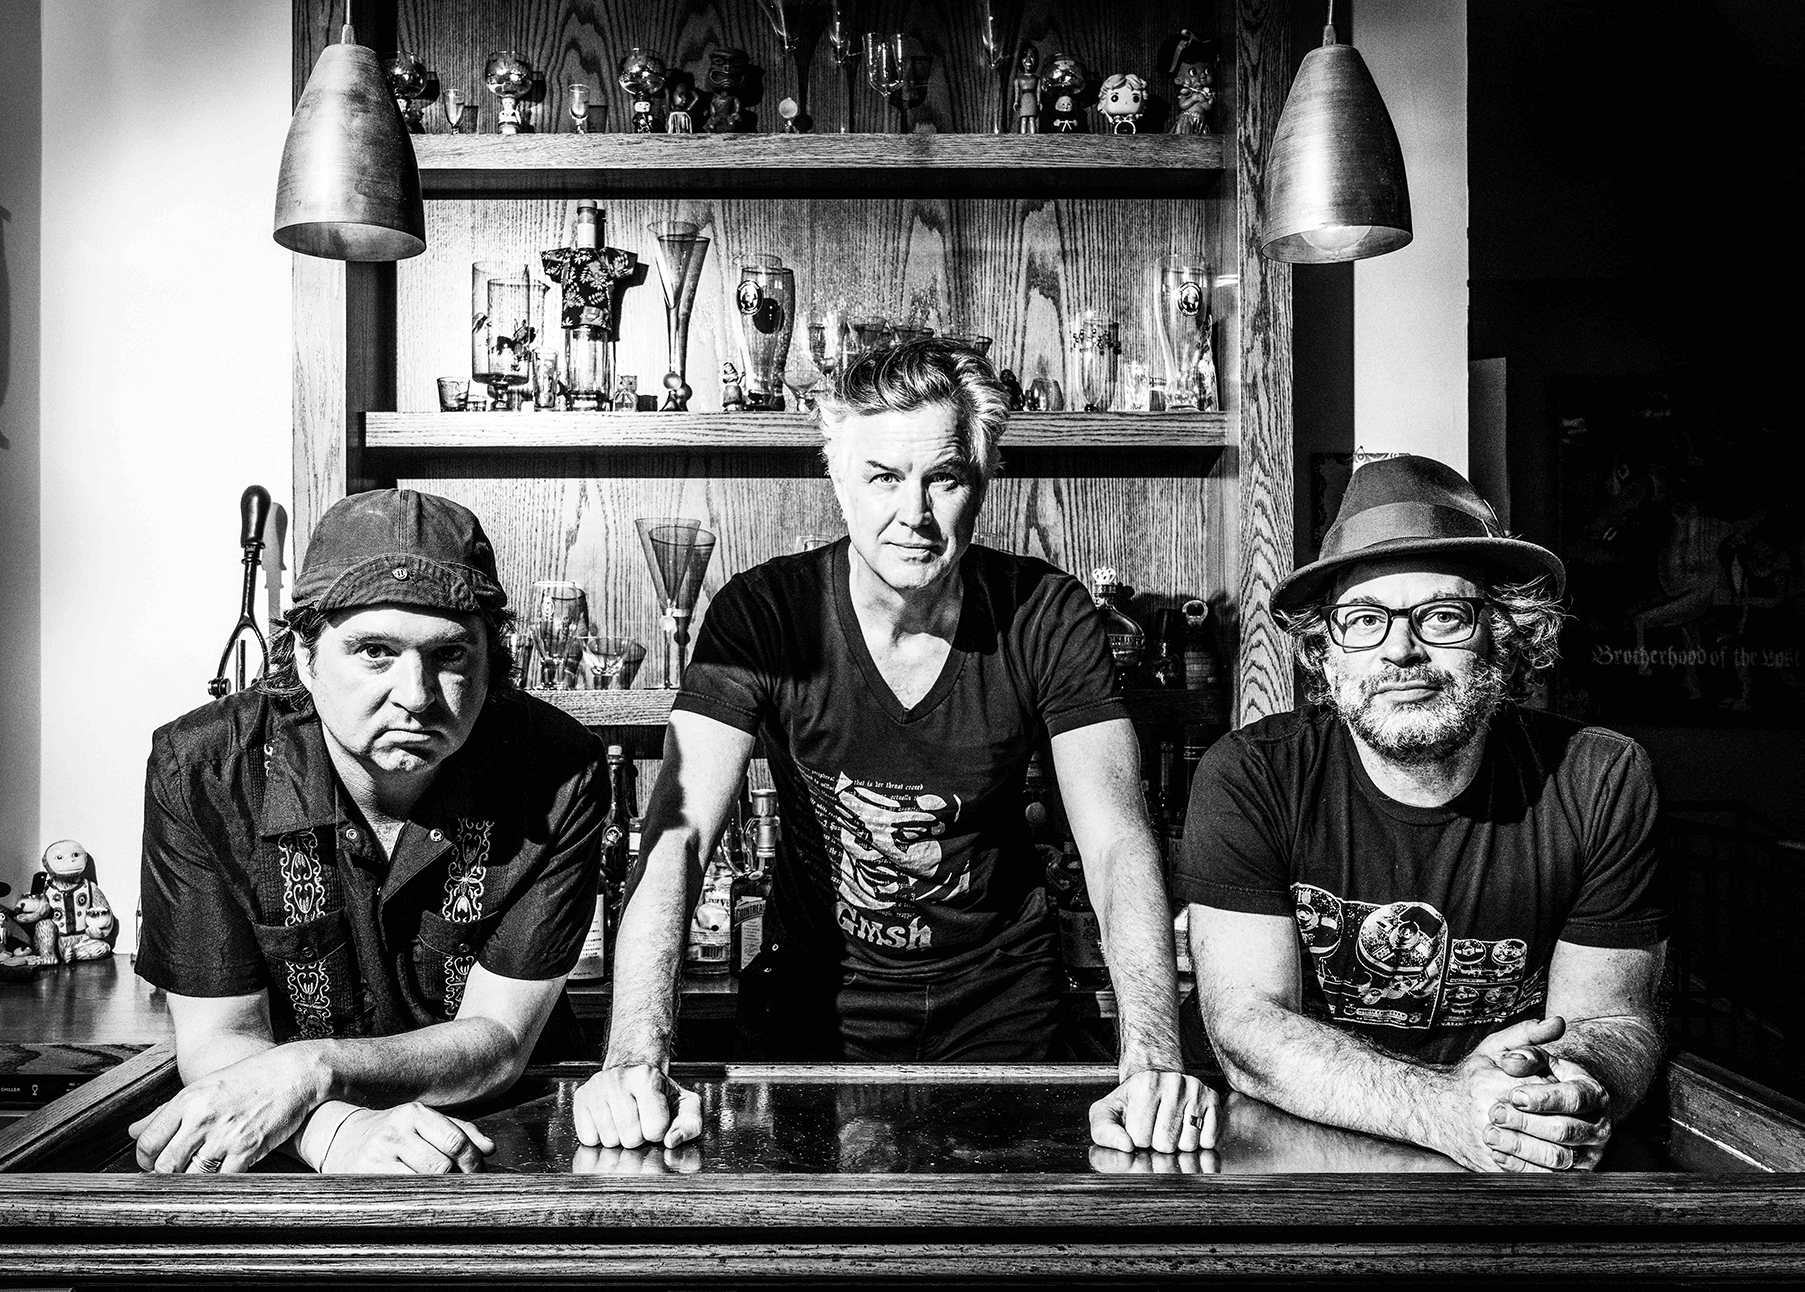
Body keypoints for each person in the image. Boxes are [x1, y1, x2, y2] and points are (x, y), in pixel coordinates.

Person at [576, 339, 1211, 1157]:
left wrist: (1153, 1060)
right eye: (882, 477)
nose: (913, 513)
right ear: (838, 482)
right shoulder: (763, 613)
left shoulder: (1044, 614)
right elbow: (680, 836)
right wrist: (633, 1057)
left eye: (942, 479)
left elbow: (1117, 841)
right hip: (814, 999)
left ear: (981, 483)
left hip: (1002, 1002)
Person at [1174, 455, 1667, 1173]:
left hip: (1510, 1151)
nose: (1400, 650)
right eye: (1363, 620)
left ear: (1505, 637)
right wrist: (1442, 1108)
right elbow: (1246, 1028)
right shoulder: (1252, 774)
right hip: (1287, 1154)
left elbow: (1613, 1017)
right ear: (1325, 652)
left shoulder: (1600, 779)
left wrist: (1556, 1090)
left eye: (1442, 616)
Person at [131, 489, 606, 1174]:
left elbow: (501, 1038)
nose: (416, 695)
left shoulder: (559, 770)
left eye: (450, 654)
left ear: (491, 659)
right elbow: (220, 1037)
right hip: (288, 1139)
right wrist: (336, 1132)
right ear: (305, 656)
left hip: (503, 1138)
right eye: (375, 651)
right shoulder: (204, 770)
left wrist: (312, 1069)